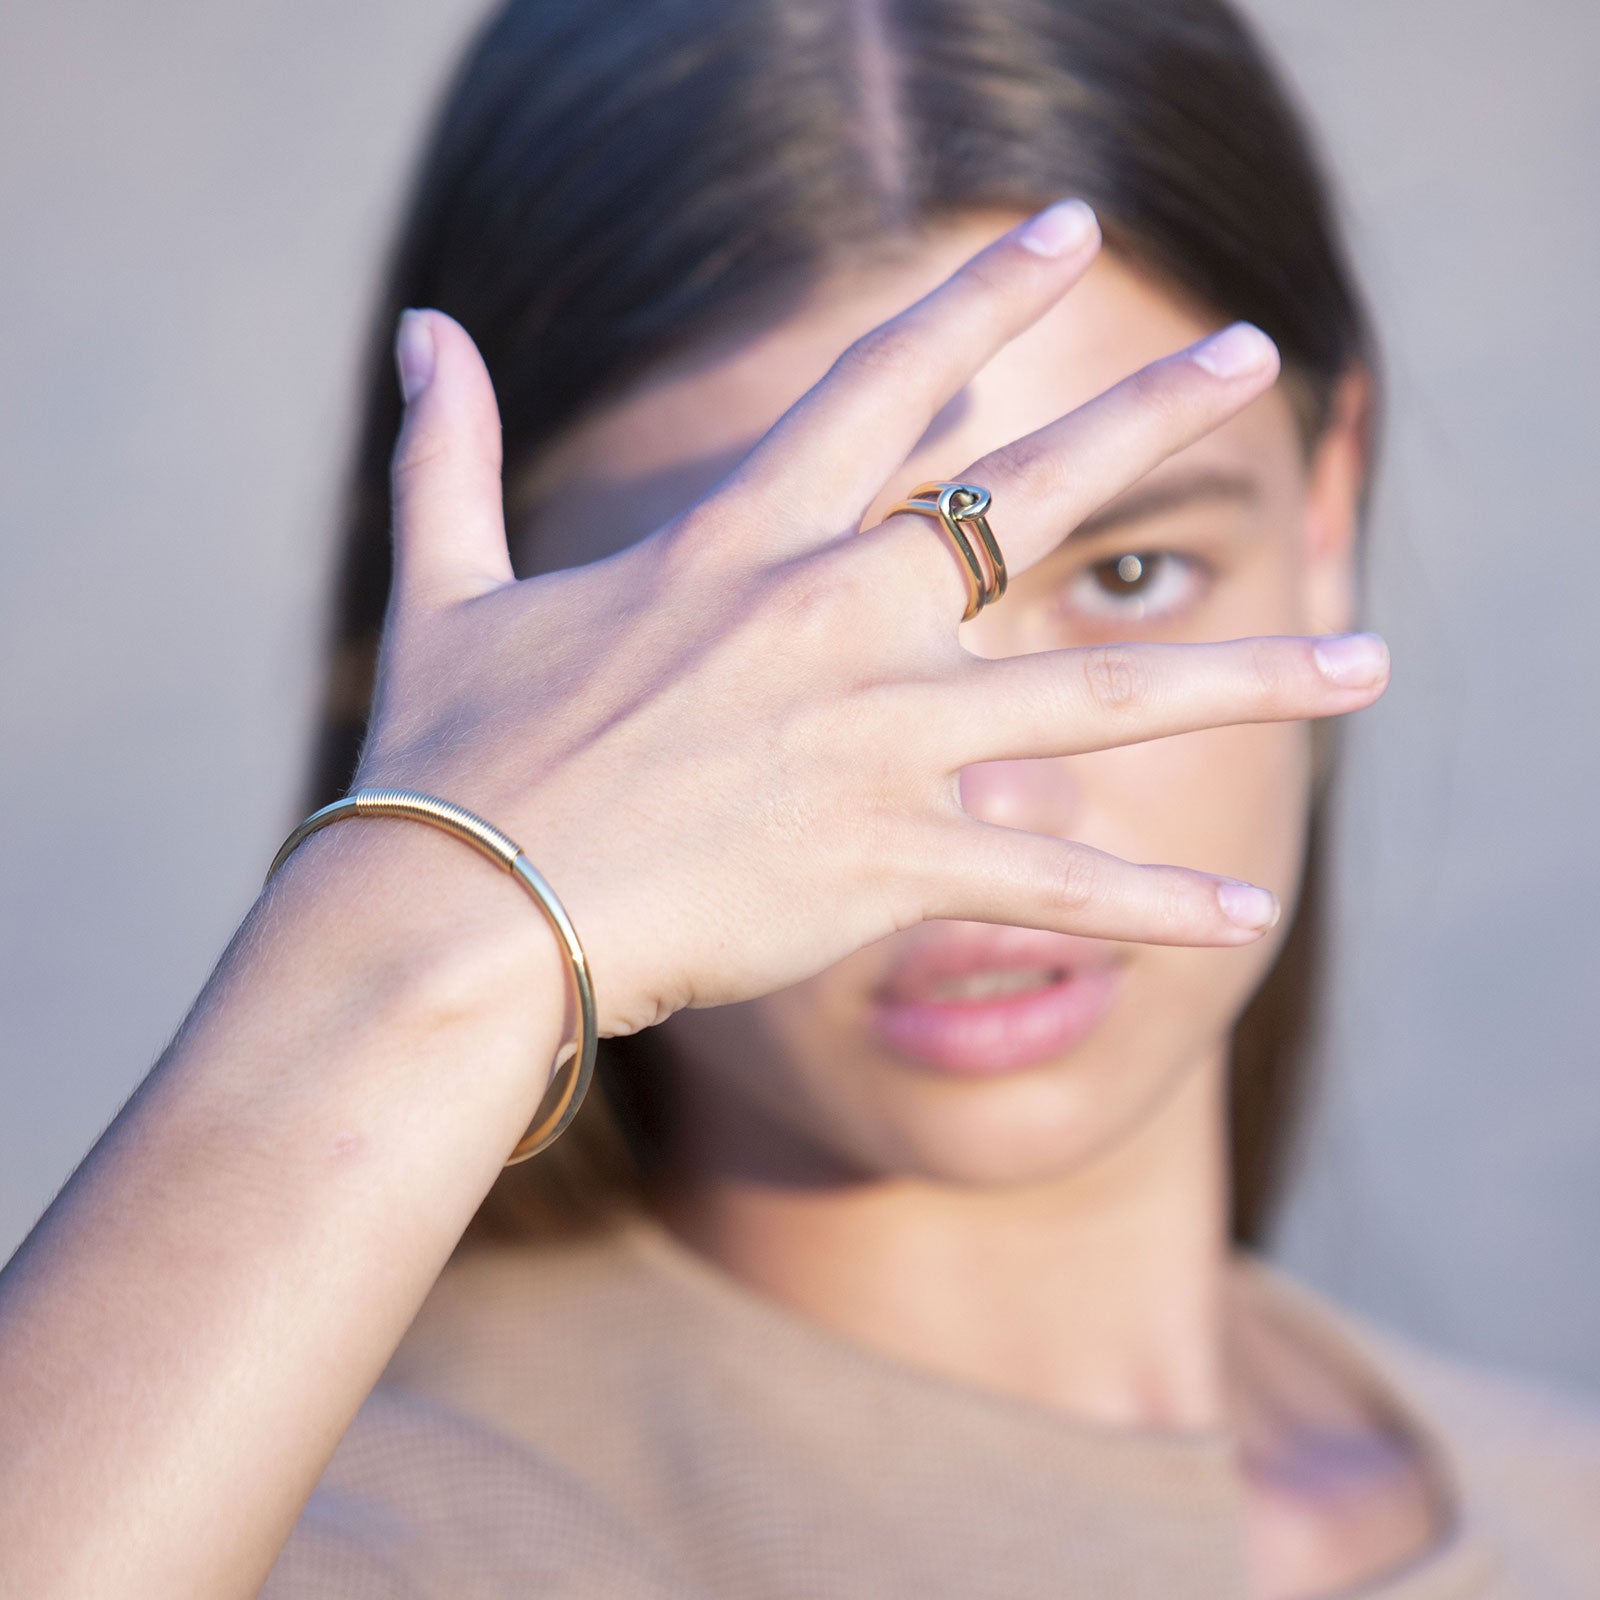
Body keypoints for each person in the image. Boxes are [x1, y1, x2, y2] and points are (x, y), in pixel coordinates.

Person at [3, 0, 1597, 1595]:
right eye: (768, 654)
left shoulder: (1562, 1502)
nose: (983, 799)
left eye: (1131, 569)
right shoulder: (326, 1538)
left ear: (1328, 504)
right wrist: (431, 931)